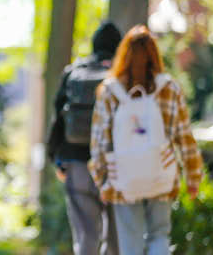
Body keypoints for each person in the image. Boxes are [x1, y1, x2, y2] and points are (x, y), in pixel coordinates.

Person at [89, 25, 203, 255]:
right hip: (161, 173)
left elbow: (99, 140)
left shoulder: (110, 91)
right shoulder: (169, 88)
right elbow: (185, 137)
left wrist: (101, 178)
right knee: (159, 235)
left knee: (130, 243)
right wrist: (193, 176)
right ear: (155, 54)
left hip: (123, 178)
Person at [46, 22, 122, 255]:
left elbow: (58, 119)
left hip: (76, 162)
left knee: (86, 236)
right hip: (114, 165)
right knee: (115, 238)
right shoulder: (121, 76)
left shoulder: (73, 72)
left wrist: (56, 158)